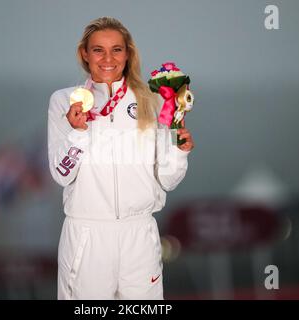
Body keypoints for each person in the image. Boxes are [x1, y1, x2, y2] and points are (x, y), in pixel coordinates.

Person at [47, 16, 194, 300]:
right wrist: (77, 132)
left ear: (128, 54)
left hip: (139, 234)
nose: (108, 58)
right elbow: (61, 174)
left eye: (116, 49)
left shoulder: (151, 101)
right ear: (85, 54)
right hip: (87, 236)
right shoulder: (65, 101)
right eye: (98, 49)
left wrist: (178, 151)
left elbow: (167, 179)